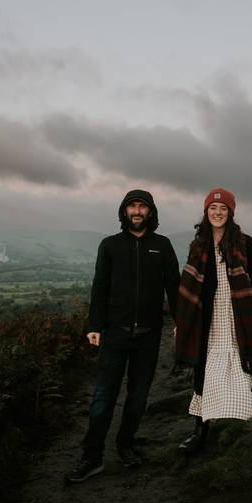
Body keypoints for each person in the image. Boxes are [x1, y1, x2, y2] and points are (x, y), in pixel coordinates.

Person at [64, 189, 180, 483]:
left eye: (142, 206)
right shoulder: (110, 245)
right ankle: (92, 456)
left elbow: (174, 288)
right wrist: (94, 326)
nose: (137, 211)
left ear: (151, 212)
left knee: (138, 397)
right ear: (124, 211)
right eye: (132, 206)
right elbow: (99, 287)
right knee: (103, 397)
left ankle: (126, 445)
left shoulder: (162, 245)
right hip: (114, 334)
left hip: (149, 336)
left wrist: (182, 322)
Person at [174, 188, 252, 453]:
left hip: (241, 314)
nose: (217, 213)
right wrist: (183, 321)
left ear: (230, 213)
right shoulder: (198, 245)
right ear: (206, 212)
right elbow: (189, 286)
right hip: (209, 317)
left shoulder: (245, 242)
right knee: (204, 366)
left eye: (223, 209)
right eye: (213, 209)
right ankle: (200, 427)